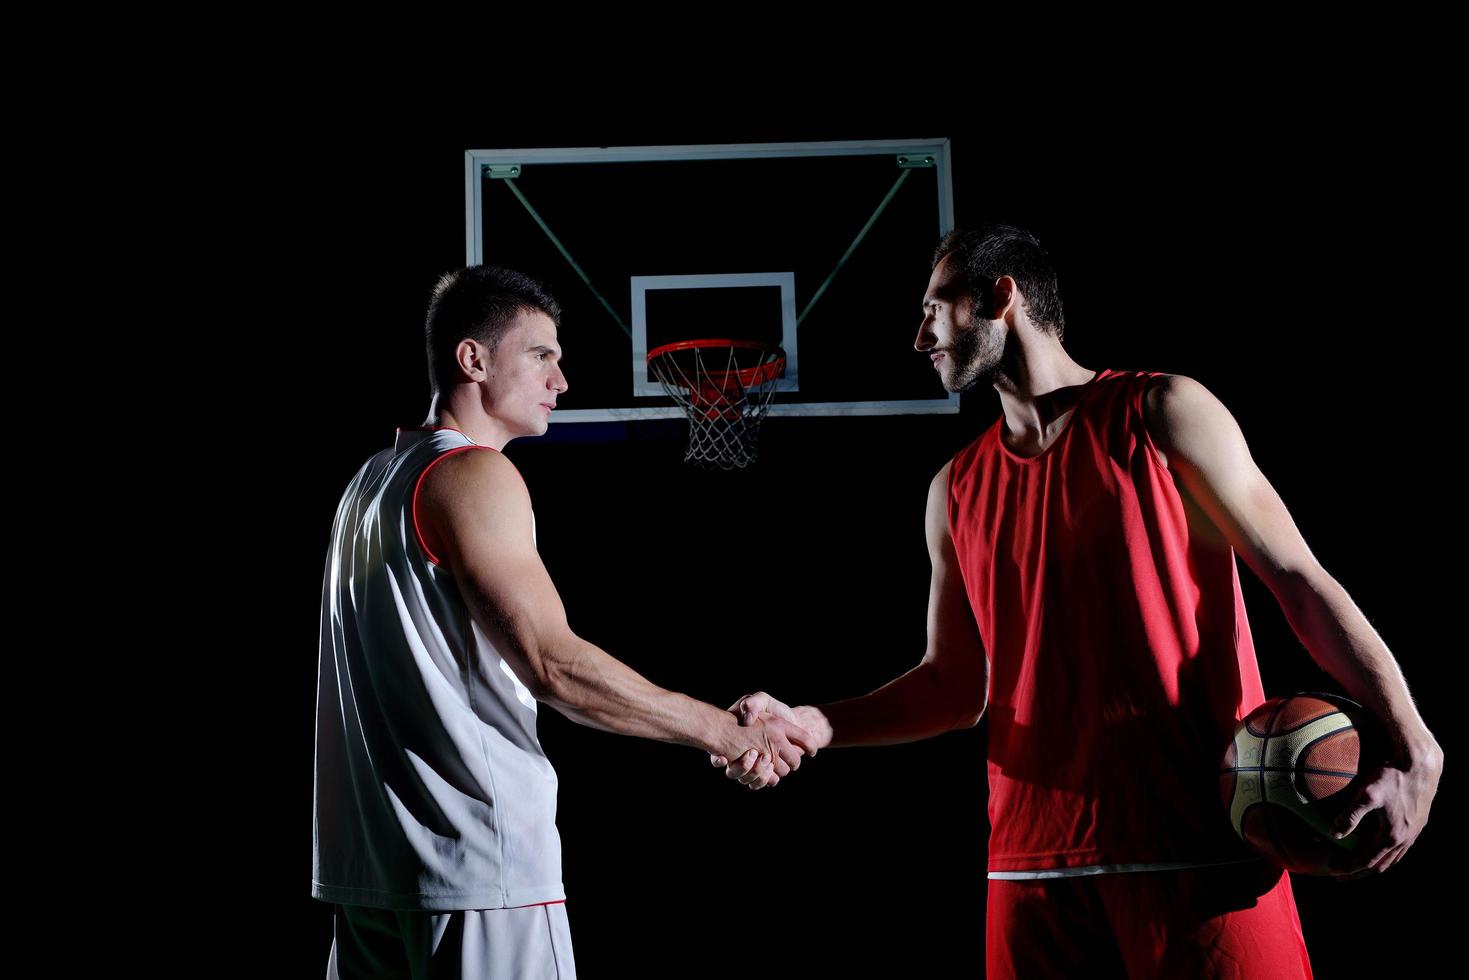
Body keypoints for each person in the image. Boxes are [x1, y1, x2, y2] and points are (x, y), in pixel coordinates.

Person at [715, 225, 1443, 977]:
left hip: (1197, 853)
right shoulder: (952, 490)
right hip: (1031, 871)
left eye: (933, 309)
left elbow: (1296, 578)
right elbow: (953, 687)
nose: (917, 338)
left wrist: (1413, 741)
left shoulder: (1162, 410)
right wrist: (818, 723)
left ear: (1000, 297)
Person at [314, 265, 813, 980]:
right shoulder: (473, 475)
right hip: (479, 873)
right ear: (473, 359)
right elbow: (553, 666)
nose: (561, 380)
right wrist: (725, 731)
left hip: (369, 877)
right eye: (541, 355)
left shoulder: (368, 482)